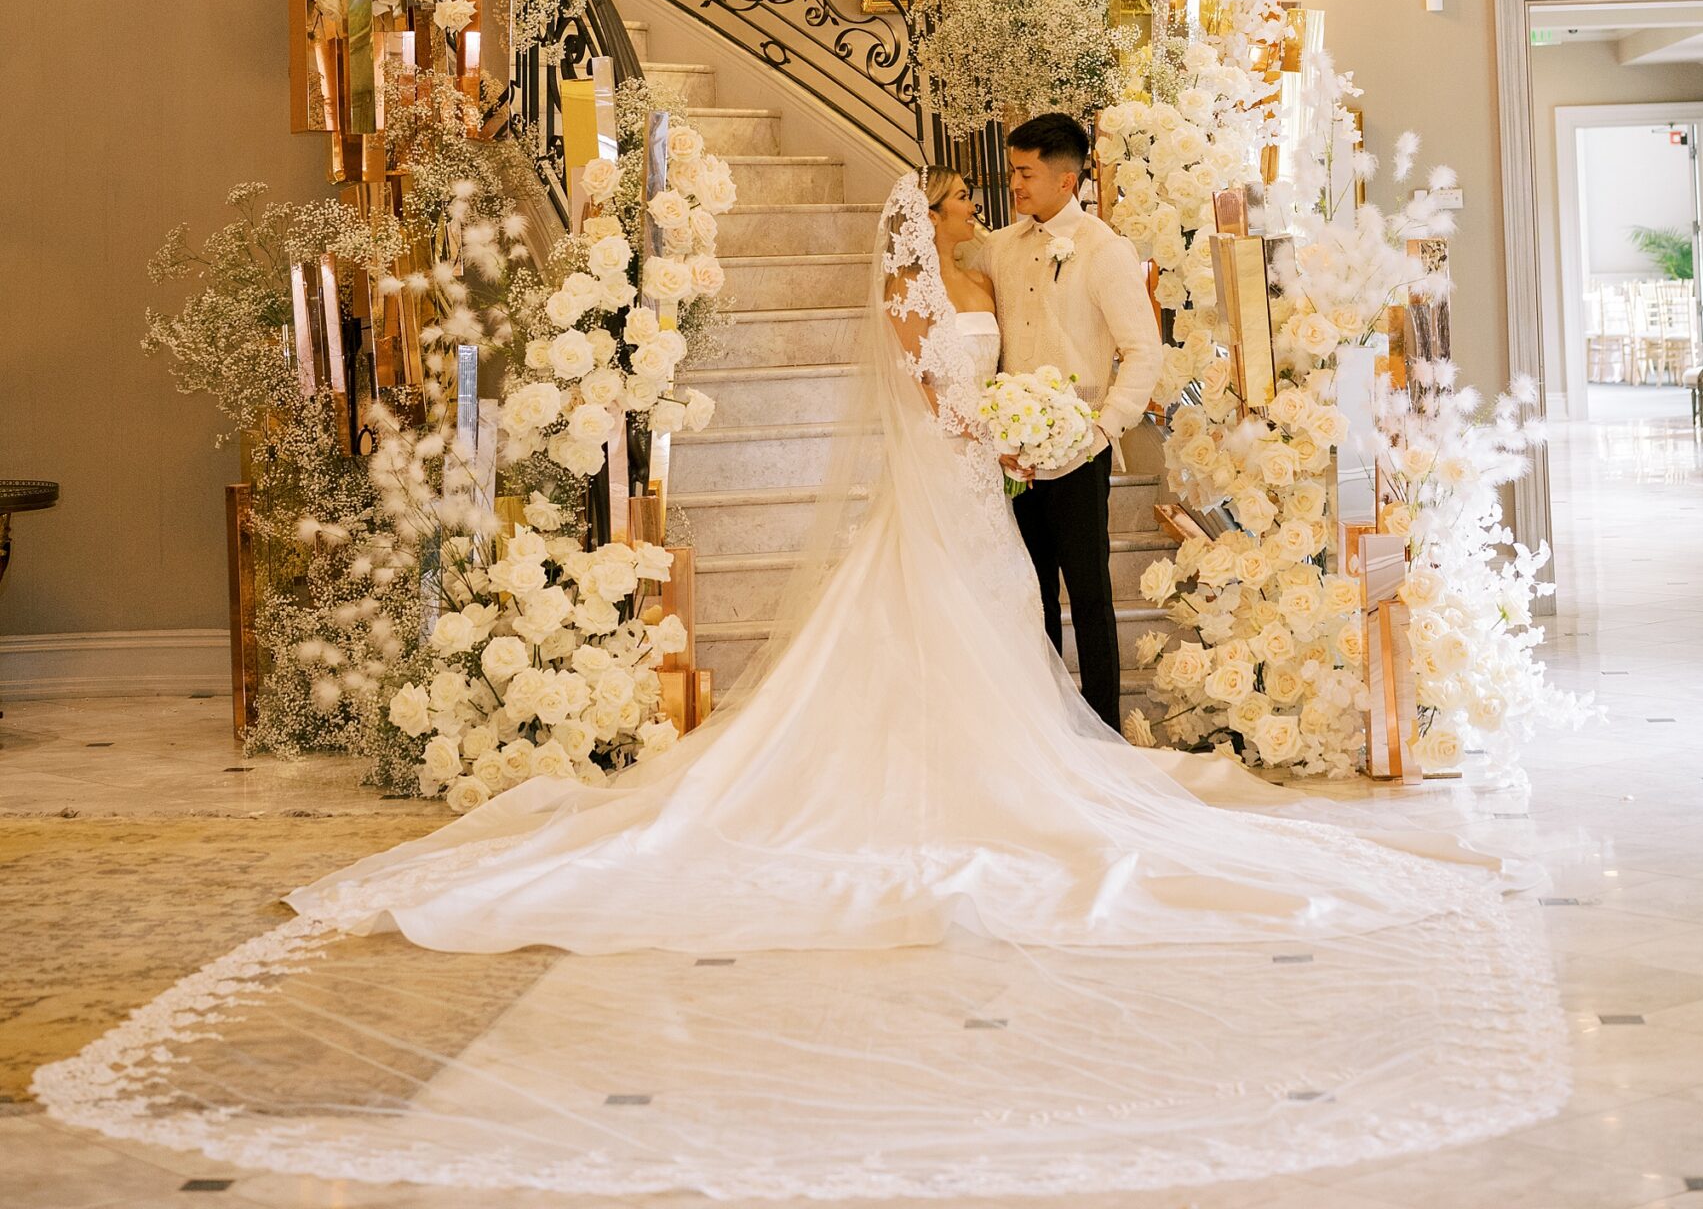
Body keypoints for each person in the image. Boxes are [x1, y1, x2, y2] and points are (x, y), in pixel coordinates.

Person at [36, 169, 1567, 1200]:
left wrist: (1013, 421)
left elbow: (981, 369)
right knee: (950, 643)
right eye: (947, 211)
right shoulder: (920, 302)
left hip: (982, 480)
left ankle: (1008, 759)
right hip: (959, 483)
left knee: (993, 641)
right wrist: (984, 422)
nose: (962, 218)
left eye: (972, 202)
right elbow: (924, 387)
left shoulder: (981, 274)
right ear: (917, 237)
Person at [960, 111, 1162, 729]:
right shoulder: (1002, 246)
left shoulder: (1105, 250)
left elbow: (1144, 352)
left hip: (1079, 450)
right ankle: (1047, 726)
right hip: (1014, 454)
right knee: (1032, 591)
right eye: (1013, 172)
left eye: (1025, 173)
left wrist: (1101, 430)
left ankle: (1102, 728)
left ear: (1066, 180)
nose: (1014, 185)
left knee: (1090, 594)